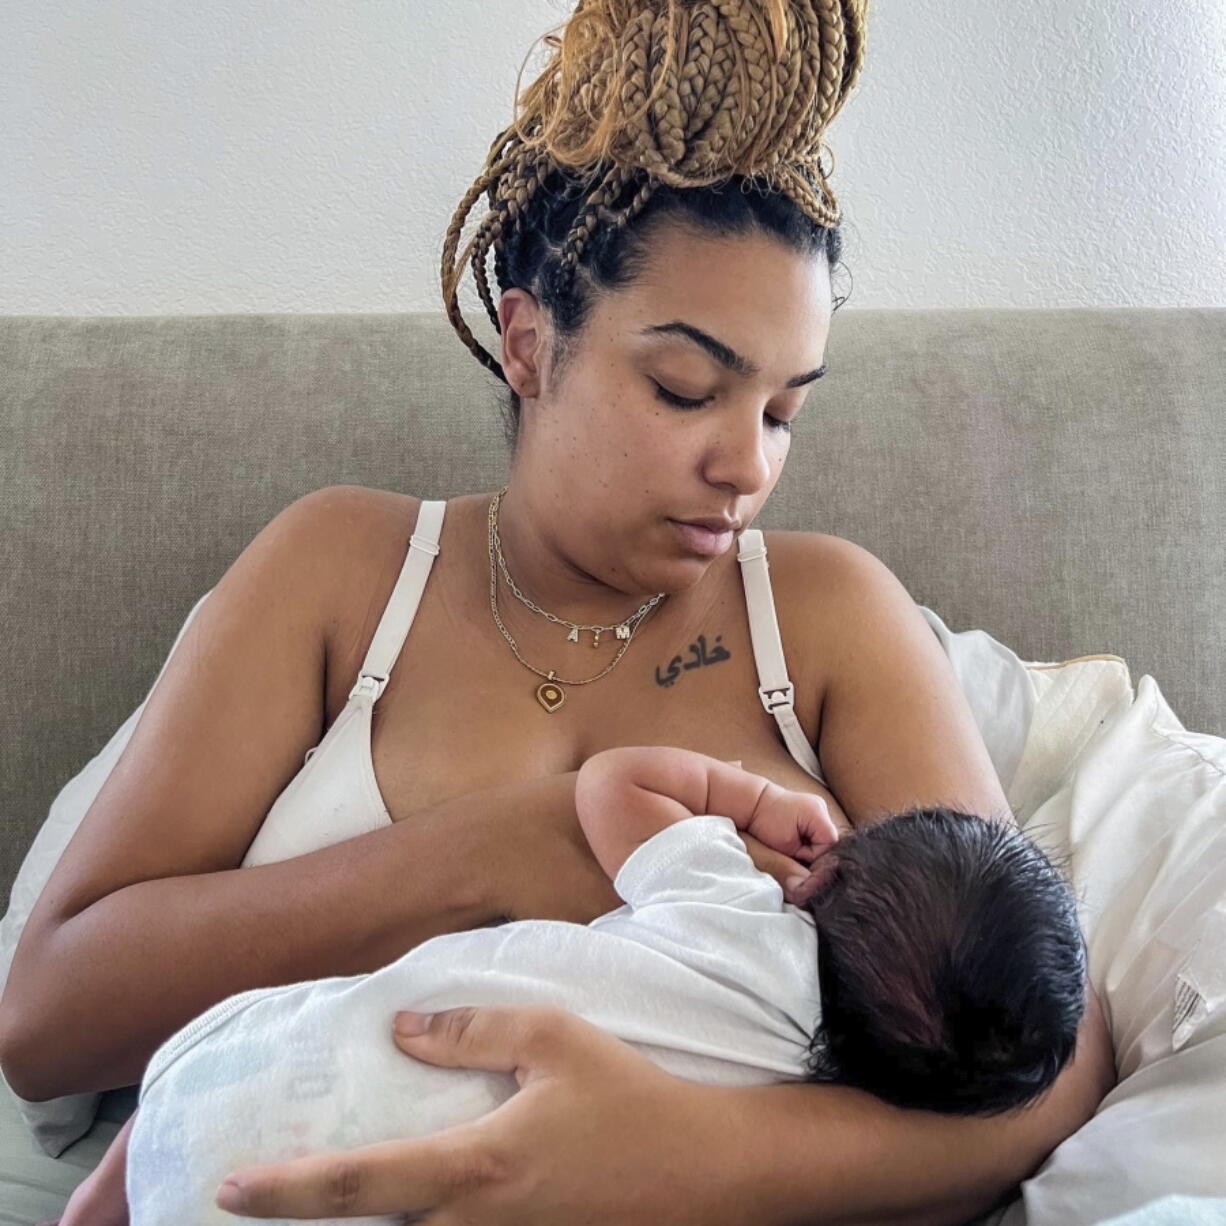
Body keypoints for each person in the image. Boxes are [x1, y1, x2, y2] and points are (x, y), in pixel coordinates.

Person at [2, 1, 1115, 1223]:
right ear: (529, 343)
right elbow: (47, 1023)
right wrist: (498, 850)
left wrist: (687, 1154)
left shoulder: (827, 615)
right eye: (684, 386)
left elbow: (1045, 1061)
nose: (746, 465)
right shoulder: (341, 571)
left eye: (783, 410)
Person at [73, 743, 1085, 1225]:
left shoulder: (730, 908)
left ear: (818, 875)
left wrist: (757, 800)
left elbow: (615, 784)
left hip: (229, 1067)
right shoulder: (813, 1097)